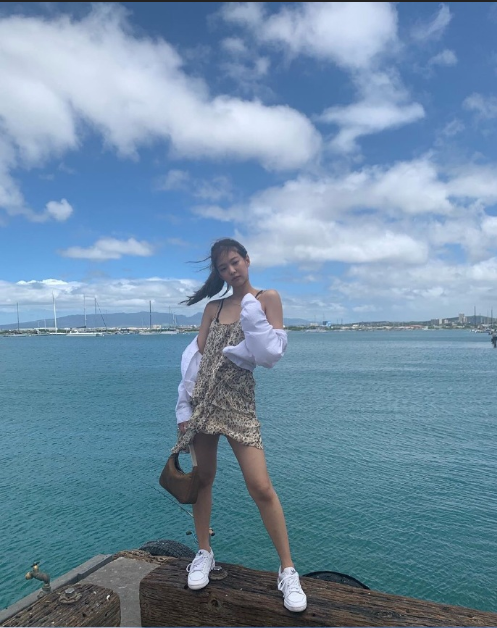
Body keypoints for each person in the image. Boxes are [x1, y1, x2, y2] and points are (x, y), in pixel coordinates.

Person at [172, 237, 307, 613]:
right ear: (218, 273)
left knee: (261, 487)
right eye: (223, 267)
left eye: (235, 262)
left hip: (239, 407)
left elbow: (272, 352)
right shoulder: (212, 308)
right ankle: (204, 552)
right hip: (204, 404)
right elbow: (194, 361)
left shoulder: (267, 298)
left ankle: (288, 570)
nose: (231, 270)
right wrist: (184, 410)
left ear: (247, 260)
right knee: (203, 480)